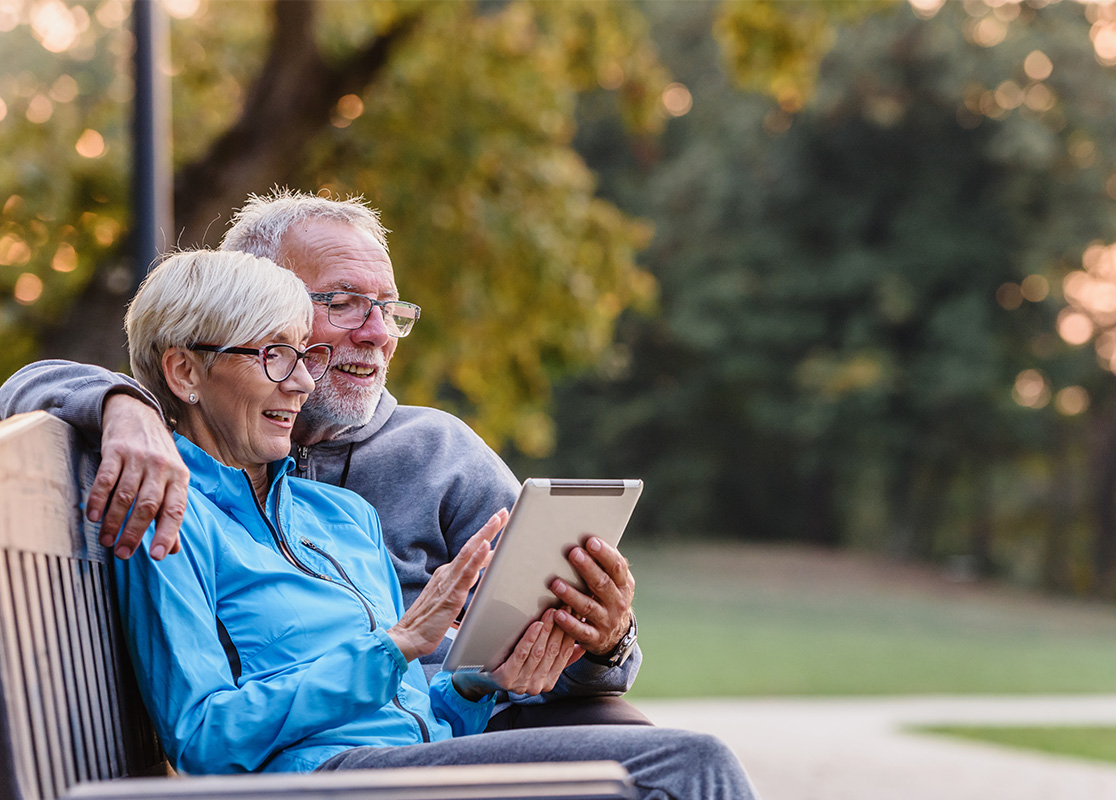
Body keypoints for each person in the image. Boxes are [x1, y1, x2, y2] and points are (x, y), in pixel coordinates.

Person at [113, 248, 758, 800]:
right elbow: (202, 737)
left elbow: (410, 715)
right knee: (684, 768)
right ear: (185, 372)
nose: (303, 384)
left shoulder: (341, 518)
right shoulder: (169, 517)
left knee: (679, 760)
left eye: (305, 357)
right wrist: (397, 646)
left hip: (402, 772)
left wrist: (482, 685)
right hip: (320, 783)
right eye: (275, 358)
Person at [0, 189, 645, 729]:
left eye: (389, 309)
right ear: (255, 299)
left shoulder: (434, 454)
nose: (378, 332)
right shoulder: (177, 475)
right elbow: (26, 391)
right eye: (342, 304)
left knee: (648, 746)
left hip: (458, 731)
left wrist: (606, 643)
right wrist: (123, 404)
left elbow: (549, 658)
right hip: (346, 764)